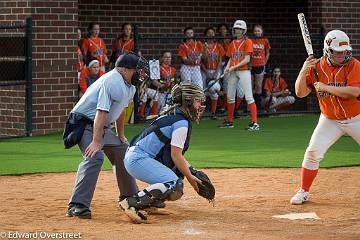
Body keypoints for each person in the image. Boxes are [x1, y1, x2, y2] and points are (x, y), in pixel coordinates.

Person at [65, 52, 150, 219]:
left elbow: (121, 110)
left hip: (98, 125)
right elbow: (101, 112)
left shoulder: (129, 85)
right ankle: (77, 205)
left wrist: (120, 135)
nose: (140, 74)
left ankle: (130, 198)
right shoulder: (112, 81)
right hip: (82, 124)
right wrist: (97, 142)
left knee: (123, 150)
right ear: (125, 70)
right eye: (137, 70)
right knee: (95, 156)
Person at [290, 30, 360, 205]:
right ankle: (304, 191)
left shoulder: (354, 65)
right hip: (330, 120)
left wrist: (326, 87)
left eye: (344, 51)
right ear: (327, 50)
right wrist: (303, 71)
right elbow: (300, 93)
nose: (342, 54)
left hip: (356, 118)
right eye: (338, 51)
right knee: (313, 153)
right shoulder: (316, 68)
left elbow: (354, 92)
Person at [119, 83, 206, 223]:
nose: (200, 105)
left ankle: (148, 203)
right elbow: (175, 155)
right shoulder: (181, 122)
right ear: (187, 102)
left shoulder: (173, 115)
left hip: (137, 157)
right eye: (197, 100)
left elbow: (174, 156)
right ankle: (130, 203)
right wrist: (190, 177)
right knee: (173, 184)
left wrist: (190, 170)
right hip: (138, 159)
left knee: (177, 173)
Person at [220, 20, 259, 130]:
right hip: (233, 71)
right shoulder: (232, 43)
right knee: (230, 96)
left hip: (243, 71)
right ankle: (229, 121)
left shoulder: (248, 42)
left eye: (240, 29)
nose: (237, 31)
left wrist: (233, 67)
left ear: (244, 31)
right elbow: (231, 58)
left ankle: (255, 123)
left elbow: (247, 59)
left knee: (249, 97)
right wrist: (227, 68)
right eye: (236, 29)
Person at [202, 27, 225, 119]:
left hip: (216, 70)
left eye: (212, 33)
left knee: (213, 89)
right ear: (205, 35)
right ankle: (200, 112)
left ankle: (213, 112)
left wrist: (217, 71)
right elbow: (201, 60)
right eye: (208, 33)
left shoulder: (218, 45)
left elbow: (220, 59)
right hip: (204, 70)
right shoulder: (202, 45)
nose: (211, 34)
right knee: (202, 91)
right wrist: (206, 71)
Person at [251, 25, 271, 108]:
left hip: (260, 65)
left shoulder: (265, 40)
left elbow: (267, 52)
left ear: (262, 32)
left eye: (258, 31)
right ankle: (250, 107)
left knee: (258, 86)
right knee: (250, 86)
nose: (257, 32)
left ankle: (258, 106)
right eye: (255, 31)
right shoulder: (250, 40)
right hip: (251, 65)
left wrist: (264, 62)